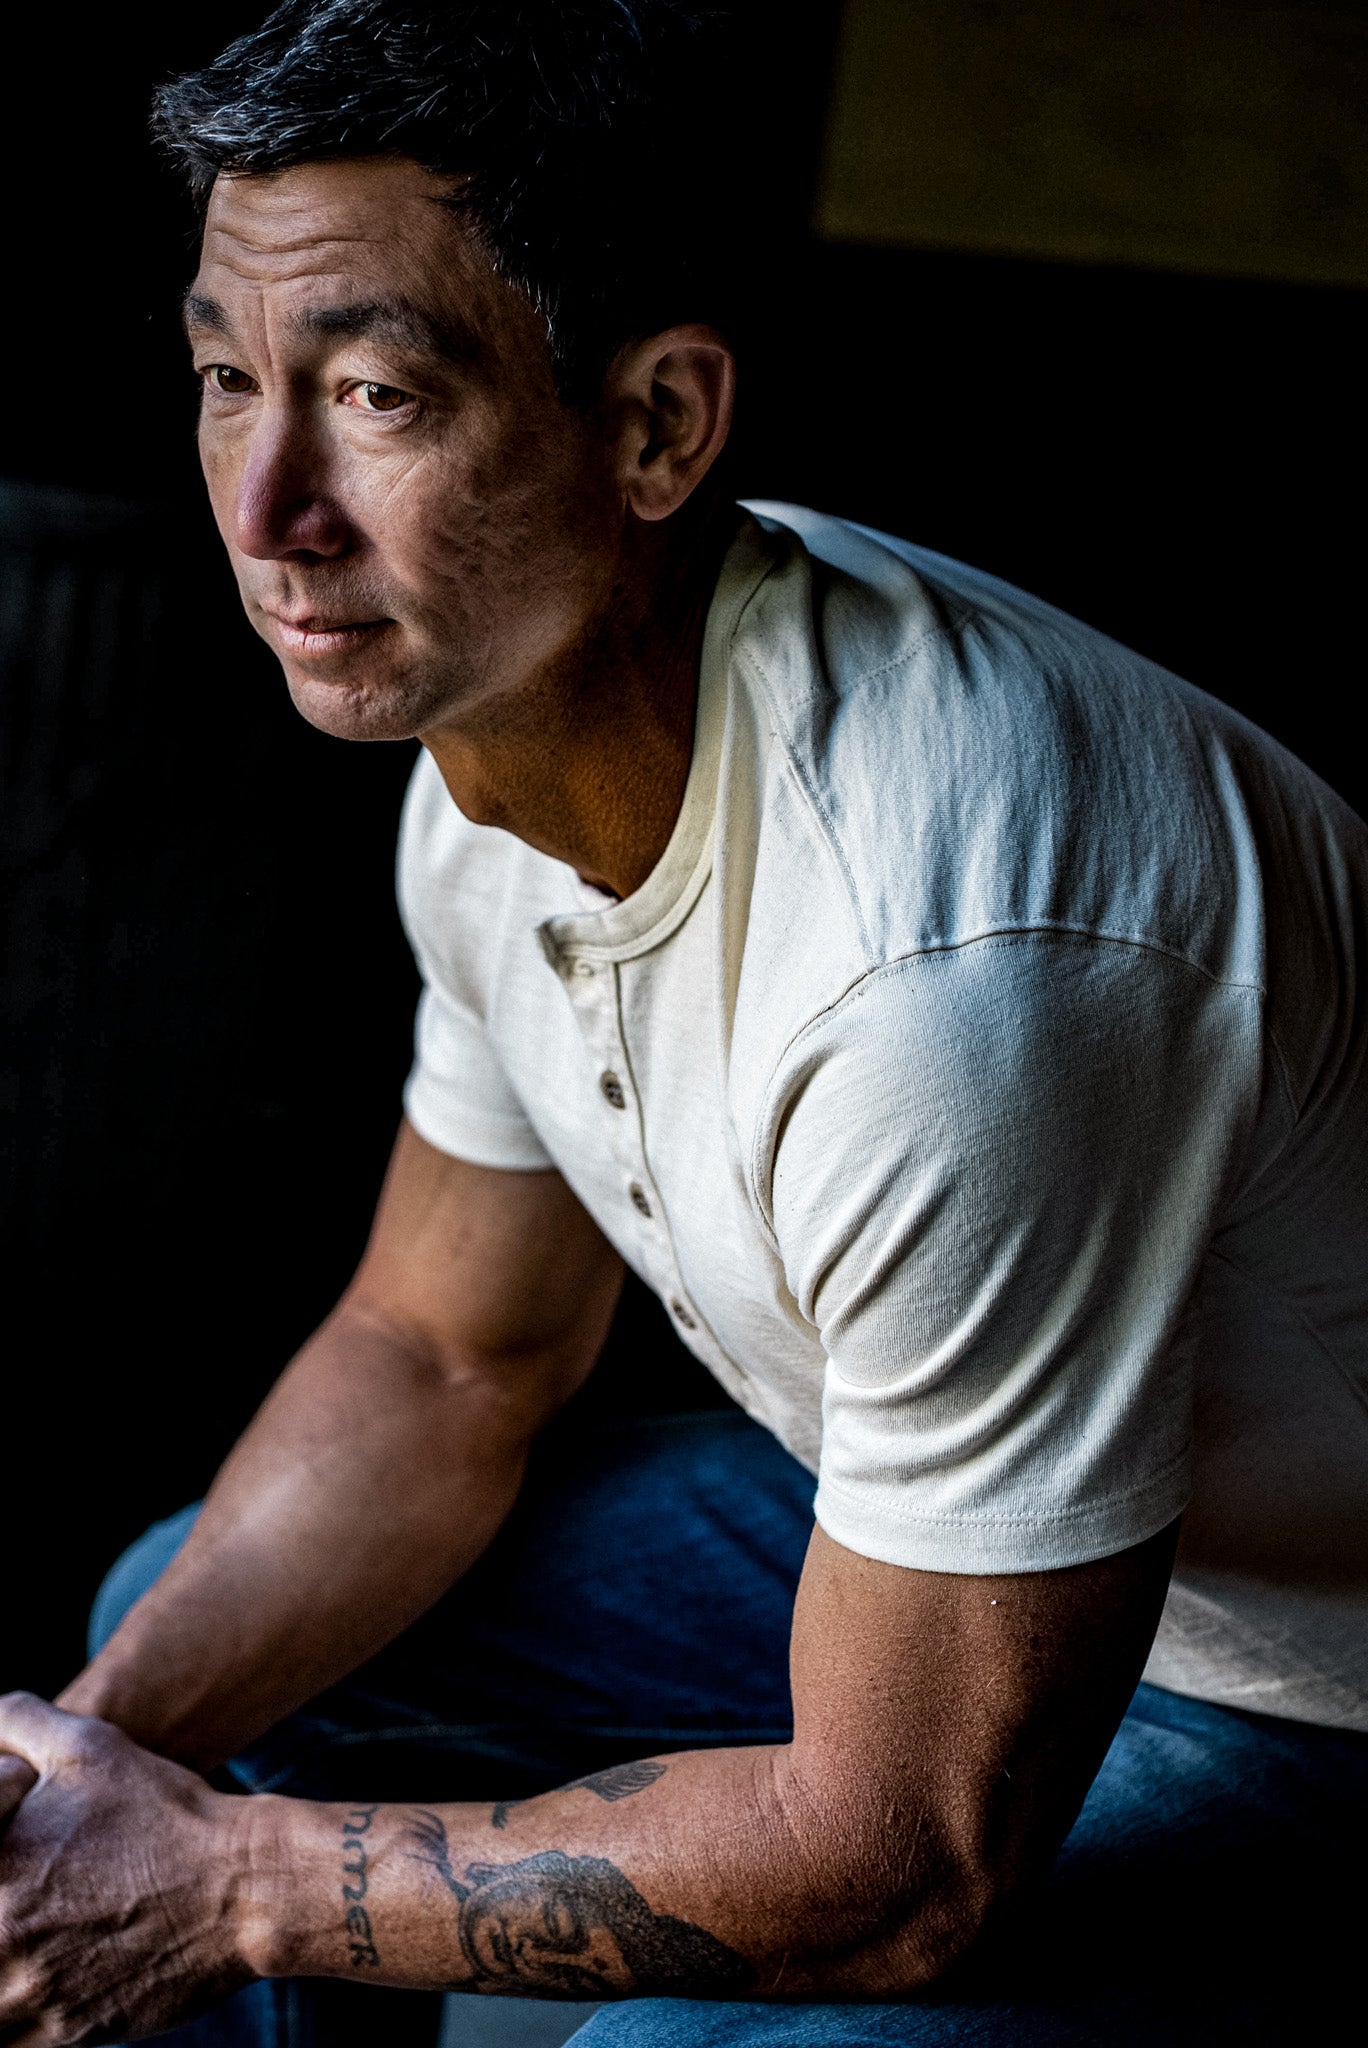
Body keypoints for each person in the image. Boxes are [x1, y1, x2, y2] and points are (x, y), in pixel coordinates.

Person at [1, 3, 1365, 2043]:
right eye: (225, 377)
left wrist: (242, 1892)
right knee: (181, 1643)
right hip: (971, 1540)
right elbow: (448, 1352)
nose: (269, 503)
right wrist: (84, 1784)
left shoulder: (946, 972)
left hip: (1310, 1670)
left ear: (655, 426)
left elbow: (904, 1859)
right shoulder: (494, 776)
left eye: (370, 390)